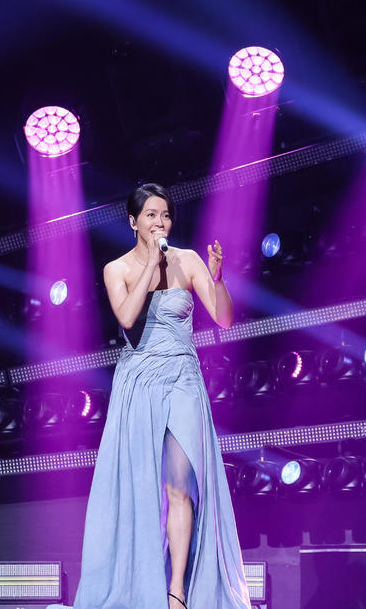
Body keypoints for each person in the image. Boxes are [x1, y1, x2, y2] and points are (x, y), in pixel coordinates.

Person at [57, 183, 251, 609]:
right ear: (133, 222)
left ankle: (176, 590)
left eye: (165, 215)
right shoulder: (117, 269)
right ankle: (135, 585)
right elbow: (127, 317)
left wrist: (218, 280)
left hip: (182, 379)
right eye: (150, 215)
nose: (160, 222)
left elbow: (224, 319)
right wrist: (150, 265)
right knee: (141, 490)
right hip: (138, 384)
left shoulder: (189, 260)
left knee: (181, 485)